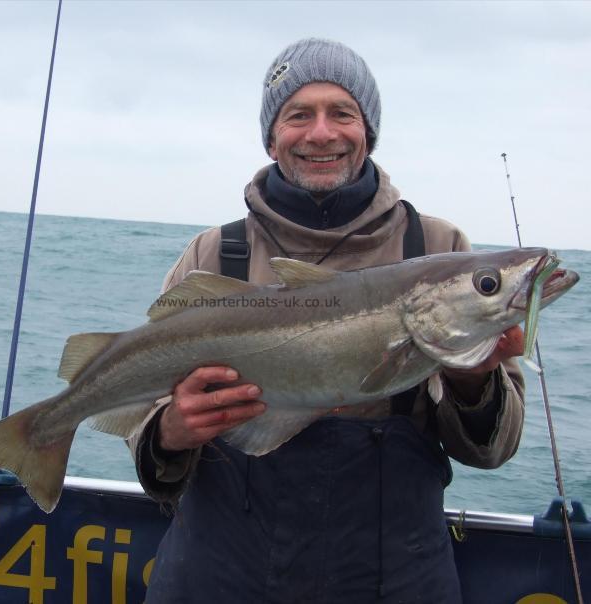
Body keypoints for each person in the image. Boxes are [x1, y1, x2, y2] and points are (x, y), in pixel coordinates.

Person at [128, 38, 525, 603]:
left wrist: (472, 380)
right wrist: (169, 433)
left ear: (368, 131)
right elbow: (150, 444)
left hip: (395, 577)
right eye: (299, 115)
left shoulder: (441, 249)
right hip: (221, 573)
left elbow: (492, 451)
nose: (321, 133)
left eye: (342, 112)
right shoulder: (214, 256)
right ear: (271, 136)